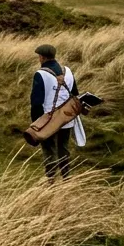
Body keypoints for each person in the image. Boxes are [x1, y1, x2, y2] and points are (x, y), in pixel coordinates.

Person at [30, 43, 84, 179]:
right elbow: (75, 93)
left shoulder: (40, 74)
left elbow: (36, 103)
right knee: (63, 149)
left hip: (48, 120)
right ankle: (66, 178)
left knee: (49, 151)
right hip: (66, 119)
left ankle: (51, 182)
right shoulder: (68, 71)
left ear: (42, 57)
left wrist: (36, 123)